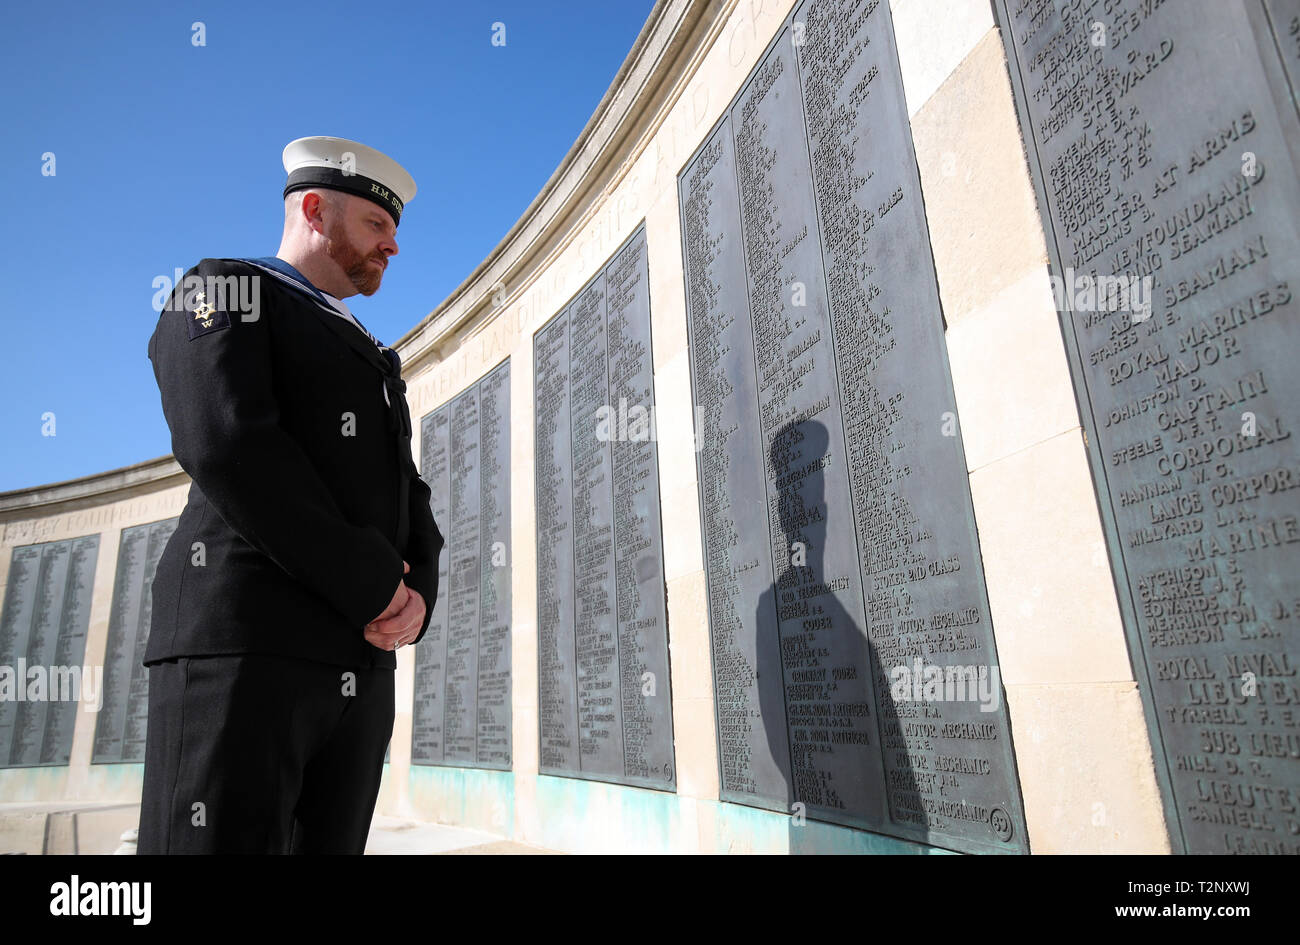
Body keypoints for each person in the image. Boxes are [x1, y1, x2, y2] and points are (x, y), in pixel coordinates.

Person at [137, 136, 444, 854]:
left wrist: (418, 593)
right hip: (245, 650)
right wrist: (372, 583)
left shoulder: (370, 349)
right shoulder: (223, 289)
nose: (393, 245)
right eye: (376, 225)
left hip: (358, 665)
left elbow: (407, 483)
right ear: (314, 209)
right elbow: (230, 442)